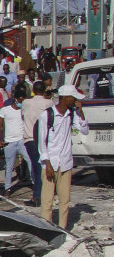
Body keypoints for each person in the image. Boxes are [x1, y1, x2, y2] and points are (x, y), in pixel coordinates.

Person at [38, 84, 90, 229]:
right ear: (66, 98)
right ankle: (46, 227)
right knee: (47, 200)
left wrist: (81, 111)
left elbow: (85, 130)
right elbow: (42, 143)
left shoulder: (71, 114)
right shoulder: (47, 115)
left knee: (64, 199)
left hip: (65, 162)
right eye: (74, 99)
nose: (76, 101)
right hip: (50, 163)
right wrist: (47, 164)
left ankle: (63, 228)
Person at [21, 80, 51, 206]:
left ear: (33, 90)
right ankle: (42, 194)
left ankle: (38, 195)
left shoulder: (26, 102)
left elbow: (23, 117)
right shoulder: (49, 102)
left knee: (36, 167)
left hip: (30, 139)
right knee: (42, 166)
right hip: (45, 139)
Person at [0, 88, 30, 196]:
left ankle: (35, 183)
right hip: (9, 142)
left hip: (21, 141)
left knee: (29, 161)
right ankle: (7, 188)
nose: (21, 103)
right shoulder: (5, 110)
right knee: (9, 166)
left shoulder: (24, 110)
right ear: (15, 99)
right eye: (20, 101)